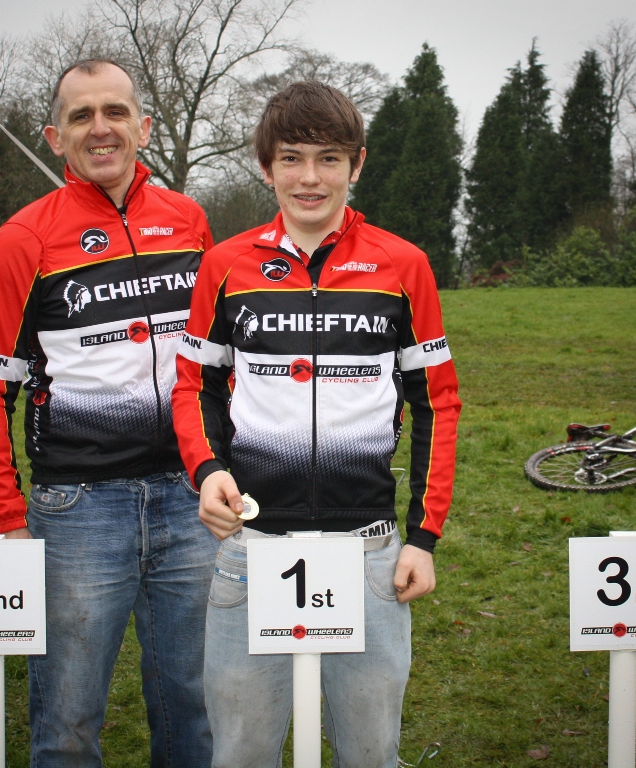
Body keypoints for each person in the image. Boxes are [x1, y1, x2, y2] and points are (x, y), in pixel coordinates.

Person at [172, 81, 461, 767]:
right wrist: (207, 469)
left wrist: (422, 536)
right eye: (292, 158)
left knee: (369, 754)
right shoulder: (225, 265)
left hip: (368, 554)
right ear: (265, 165)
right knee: (240, 754)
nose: (309, 178)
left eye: (328, 159)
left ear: (356, 165)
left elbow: (436, 404)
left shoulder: (403, 265)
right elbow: (195, 385)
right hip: (252, 546)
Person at [0, 59, 218, 768]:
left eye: (114, 111)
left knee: (193, 703)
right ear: (53, 136)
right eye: (80, 116)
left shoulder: (188, 219)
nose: (99, 128)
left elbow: (210, 360)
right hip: (79, 507)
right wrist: (3, 517)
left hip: (190, 498)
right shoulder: (23, 238)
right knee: (68, 718)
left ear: (144, 124)